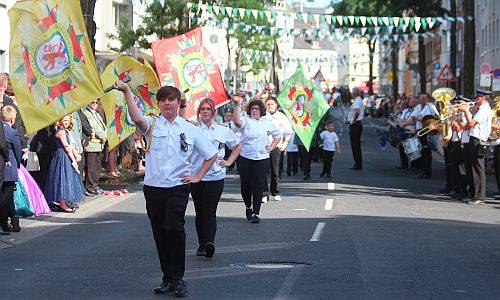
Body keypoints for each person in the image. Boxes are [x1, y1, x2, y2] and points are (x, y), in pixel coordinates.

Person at [114, 81, 217, 297]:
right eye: (163, 100)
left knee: (174, 228)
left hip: (177, 187)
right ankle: (167, 277)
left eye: (171, 99)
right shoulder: (152, 124)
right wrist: (126, 91)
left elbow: (211, 155)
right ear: (158, 104)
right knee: (160, 232)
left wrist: (198, 176)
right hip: (153, 187)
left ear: (179, 103)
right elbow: (135, 118)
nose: (167, 103)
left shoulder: (190, 129)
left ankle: (178, 278)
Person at [190, 98, 241, 259]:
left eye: (208, 109)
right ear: (199, 112)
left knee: (210, 210)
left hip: (215, 176)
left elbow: (237, 146)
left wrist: (229, 161)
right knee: (200, 211)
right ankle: (201, 244)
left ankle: (209, 243)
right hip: (196, 176)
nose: (205, 111)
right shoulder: (192, 129)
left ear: (213, 112)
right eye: (202, 109)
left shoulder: (222, 130)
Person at [232, 97, 281, 223]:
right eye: (252, 109)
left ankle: (256, 213)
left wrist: (271, 147)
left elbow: (278, 135)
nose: (255, 111)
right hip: (246, 157)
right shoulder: (246, 121)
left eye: (257, 109)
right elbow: (237, 122)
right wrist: (237, 104)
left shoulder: (267, 123)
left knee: (259, 185)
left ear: (262, 110)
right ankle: (248, 206)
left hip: (262, 158)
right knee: (246, 186)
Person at [457, 89, 492, 204]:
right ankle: (474, 194)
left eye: (477, 98)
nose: (475, 100)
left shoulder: (484, 109)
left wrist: (467, 111)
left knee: (478, 168)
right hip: (474, 138)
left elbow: (471, 123)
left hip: (479, 140)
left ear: (482, 98)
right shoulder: (480, 109)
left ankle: (480, 196)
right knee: (473, 167)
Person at [44, 115, 85, 213]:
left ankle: (66, 202)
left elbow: (71, 146)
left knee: (68, 178)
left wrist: (77, 154)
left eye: (68, 120)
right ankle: (62, 204)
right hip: (62, 156)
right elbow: (66, 147)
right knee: (62, 179)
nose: (66, 122)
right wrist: (74, 160)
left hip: (66, 156)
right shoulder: (61, 132)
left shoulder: (67, 131)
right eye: (64, 120)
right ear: (60, 121)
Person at [262, 96, 292, 202]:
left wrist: (285, 143)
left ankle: (275, 191)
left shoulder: (281, 117)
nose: (270, 106)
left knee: (275, 170)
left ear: (276, 105)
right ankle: (264, 194)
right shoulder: (262, 116)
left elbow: (288, 131)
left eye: (272, 104)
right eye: (268, 104)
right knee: (263, 171)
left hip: (276, 146)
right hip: (264, 147)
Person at [0, 106, 22, 234]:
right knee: (7, 198)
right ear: (13, 119)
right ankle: (5, 223)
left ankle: (13, 222)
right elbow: (17, 151)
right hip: (9, 167)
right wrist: (18, 165)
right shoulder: (12, 132)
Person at [83, 99, 107, 195]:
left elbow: (102, 126)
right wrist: (103, 136)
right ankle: (89, 186)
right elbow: (94, 127)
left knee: (97, 167)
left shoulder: (96, 113)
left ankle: (95, 185)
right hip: (92, 144)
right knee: (91, 167)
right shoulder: (87, 113)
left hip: (99, 144)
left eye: (97, 103)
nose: (95, 104)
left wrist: (105, 135)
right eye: (93, 102)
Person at [348, 87, 364, 170]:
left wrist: (353, 120)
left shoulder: (357, 101)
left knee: (355, 145)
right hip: (357, 124)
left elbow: (357, 111)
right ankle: (358, 163)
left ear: (353, 94)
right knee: (356, 145)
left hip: (355, 125)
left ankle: (357, 164)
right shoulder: (358, 100)